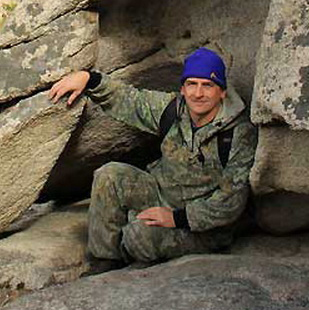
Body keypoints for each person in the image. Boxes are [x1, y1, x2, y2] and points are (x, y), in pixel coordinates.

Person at [49, 47, 257, 267]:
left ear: (222, 91)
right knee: (109, 176)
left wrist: (175, 218)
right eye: (192, 84)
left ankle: (135, 246)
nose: (198, 93)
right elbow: (131, 101)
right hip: (162, 194)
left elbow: (231, 202)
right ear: (183, 89)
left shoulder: (238, 134)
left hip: (203, 225)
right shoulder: (174, 109)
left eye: (207, 85)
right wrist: (89, 79)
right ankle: (104, 261)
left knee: (138, 236)